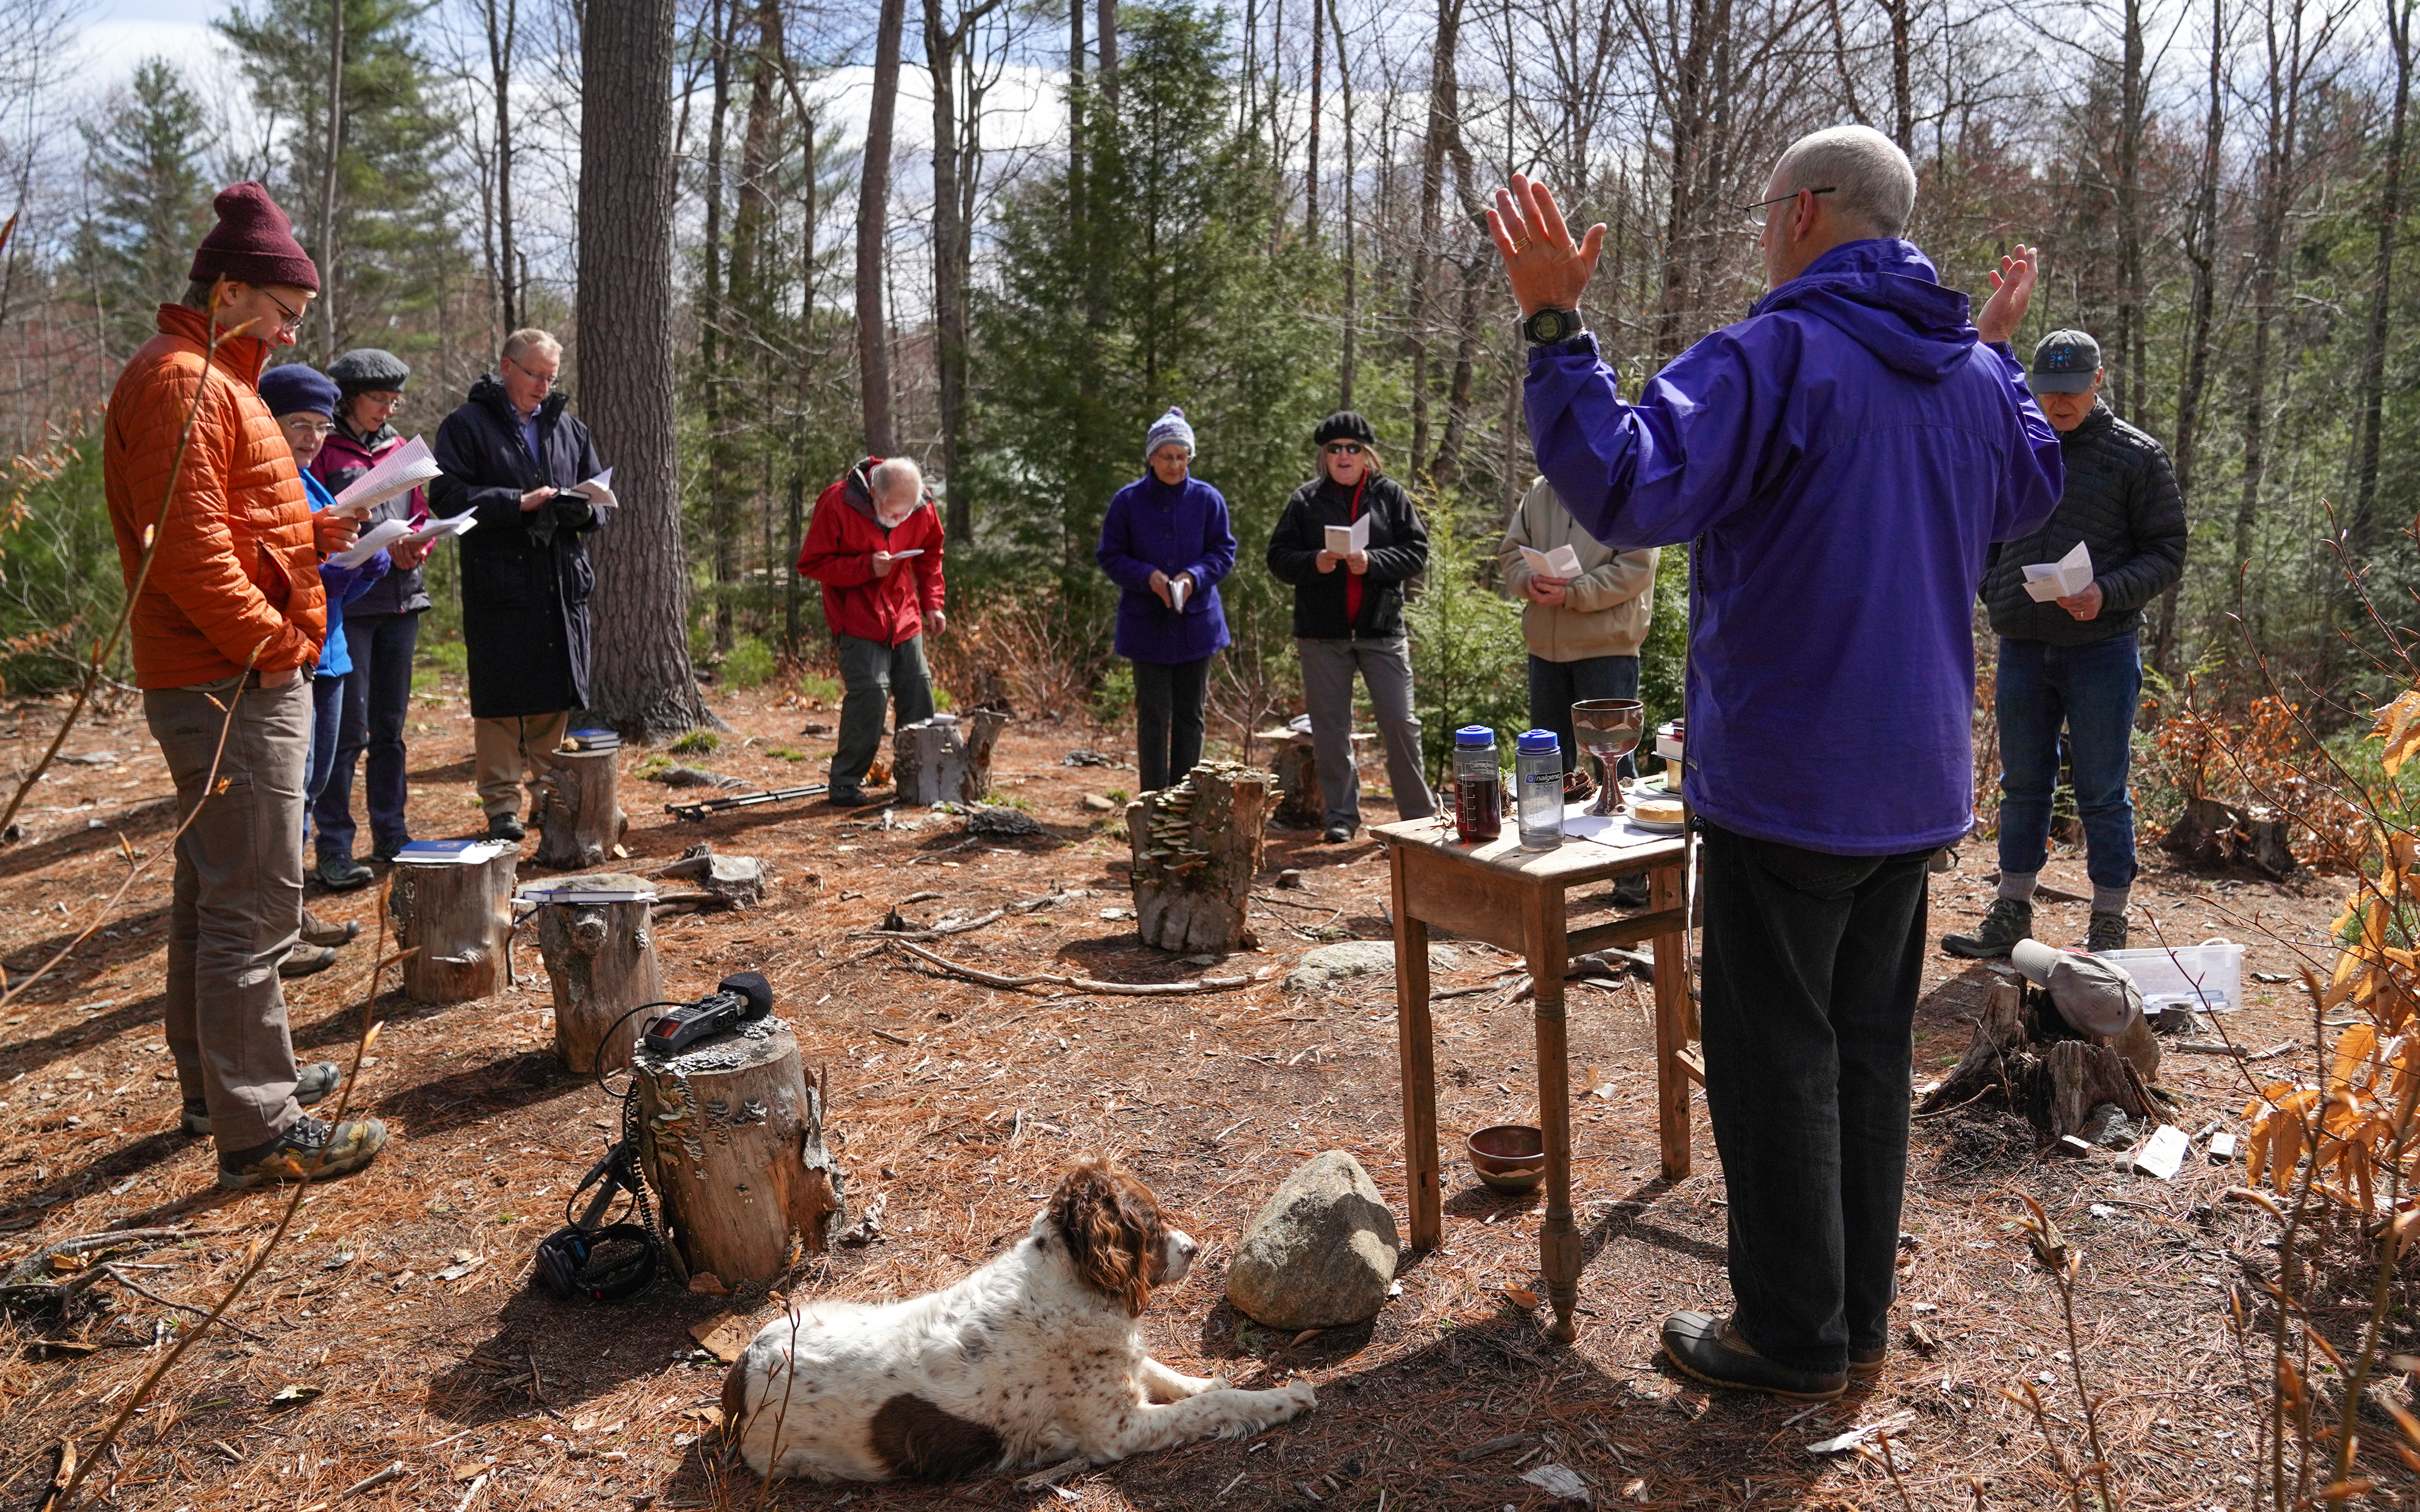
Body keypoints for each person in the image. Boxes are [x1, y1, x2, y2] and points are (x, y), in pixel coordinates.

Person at [1493, 125, 2062, 1399]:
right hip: (1912, 788)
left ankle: (1791, 1333)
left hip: (1791, 779)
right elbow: (2029, 487)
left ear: (1803, 213)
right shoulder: (1967, 376)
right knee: (1863, 1047)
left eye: (1763, 213)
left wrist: (1554, 334)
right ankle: (1852, 1319)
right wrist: (2001, 356)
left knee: (1771, 1056)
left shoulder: (1778, 353)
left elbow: (1626, 489)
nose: (1759, 234)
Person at [102, 180, 389, 1190]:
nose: (288, 331)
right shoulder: (185, 382)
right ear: (229, 292)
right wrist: (274, 644)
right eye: (283, 313)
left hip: (229, 668)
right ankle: (261, 1126)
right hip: (228, 680)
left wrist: (317, 532)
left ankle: (220, 1085)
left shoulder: (214, 378)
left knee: (214, 892)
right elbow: (188, 556)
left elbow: (233, 527)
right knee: (257, 902)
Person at [1944, 329, 2186, 959]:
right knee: (2022, 785)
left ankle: (2107, 923)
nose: (2059, 405)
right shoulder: (2017, 447)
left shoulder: (2138, 456)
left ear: (2098, 381)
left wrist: (2106, 593)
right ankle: (2010, 913)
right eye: (2048, 393)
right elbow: (1986, 532)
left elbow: (2166, 552)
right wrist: (1990, 587)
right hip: (2023, 643)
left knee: (2101, 790)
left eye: (2072, 392)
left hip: (2101, 647)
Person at [430, 329, 607, 842]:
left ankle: (551, 800)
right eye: (535, 375)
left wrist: (583, 512)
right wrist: (516, 502)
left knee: (554, 695)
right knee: (502, 701)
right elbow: (446, 494)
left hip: (558, 583)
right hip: (500, 583)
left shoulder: (569, 428)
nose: (543, 387)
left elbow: (599, 498)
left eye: (551, 378)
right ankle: (502, 806)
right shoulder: (466, 425)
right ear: (507, 367)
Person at [259, 362, 386, 977]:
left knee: (312, 786)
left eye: (319, 425)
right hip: (295, 658)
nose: (310, 437)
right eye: (297, 424)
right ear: (268, 423)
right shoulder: (270, 488)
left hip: (330, 655)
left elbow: (334, 592)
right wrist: (340, 566)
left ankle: (296, 911)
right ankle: (279, 926)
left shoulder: (316, 484)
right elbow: (285, 579)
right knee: (289, 795)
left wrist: (368, 562)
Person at [1265, 413, 1438, 843]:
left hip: (1381, 632)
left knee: (1399, 722)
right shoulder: (1305, 501)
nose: (1344, 456)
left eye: (1353, 448)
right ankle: (1341, 817)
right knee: (1329, 730)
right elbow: (1278, 557)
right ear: (1324, 457)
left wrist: (1373, 563)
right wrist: (1314, 562)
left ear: (1367, 455)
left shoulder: (1390, 497)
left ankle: (1418, 819)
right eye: (1335, 449)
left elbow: (1417, 553)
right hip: (1322, 635)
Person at [309, 348, 433, 883]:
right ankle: (334, 847)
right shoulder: (324, 450)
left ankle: (392, 833)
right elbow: (313, 515)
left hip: (402, 597)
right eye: (378, 399)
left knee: (390, 728)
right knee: (347, 733)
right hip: (353, 604)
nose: (387, 409)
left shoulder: (400, 448)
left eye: (393, 400)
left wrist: (417, 545)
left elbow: (419, 510)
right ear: (349, 399)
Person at [1096, 408, 1238, 791]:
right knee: (1153, 714)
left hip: (1197, 624)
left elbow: (1224, 552)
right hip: (1146, 623)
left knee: (1191, 715)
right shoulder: (1127, 502)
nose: (1175, 465)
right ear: (1151, 458)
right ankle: (1153, 800)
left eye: (1182, 456)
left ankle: (1185, 798)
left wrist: (1195, 577)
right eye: (1167, 457)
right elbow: (1110, 555)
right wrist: (1148, 577)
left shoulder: (1208, 500)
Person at [796, 457, 947, 806]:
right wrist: (866, 566)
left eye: (906, 514)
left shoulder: (921, 503)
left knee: (918, 689)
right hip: (857, 618)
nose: (900, 520)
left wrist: (933, 603)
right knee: (871, 695)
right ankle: (846, 782)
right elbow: (812, 563)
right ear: (874, 495)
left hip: (905, 614)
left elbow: (931, 554)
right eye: (893, 514)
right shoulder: (837, 501)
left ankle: (919, 780)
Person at [1498, 474, 1659, 795]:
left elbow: (1637, 567)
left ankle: (1622, 841)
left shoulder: (1628, 487)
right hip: (1546, 647)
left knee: (1614, 764)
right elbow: (1512, 553)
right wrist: (1529, 581)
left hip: (1606, 647)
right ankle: (1549, 837)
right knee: (1546, 768)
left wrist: (1574, 592)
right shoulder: (1540, 489)